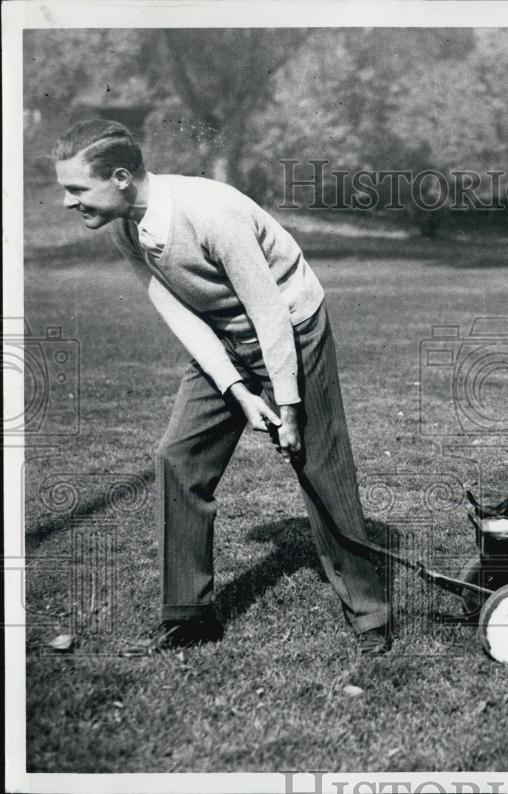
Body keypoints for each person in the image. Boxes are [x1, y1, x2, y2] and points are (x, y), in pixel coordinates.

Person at [53, 120, 392, 656]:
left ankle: (370, 615)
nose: (68, 202)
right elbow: (177, 311)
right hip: (222, 336)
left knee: (319, 464)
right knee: (178, 456)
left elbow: (269, 311)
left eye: (76, 189)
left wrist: (289, 404)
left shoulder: (211, 211)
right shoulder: (124, 226)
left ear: (120, 178)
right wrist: (236, 390)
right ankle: (188, 615)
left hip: (292, 329)